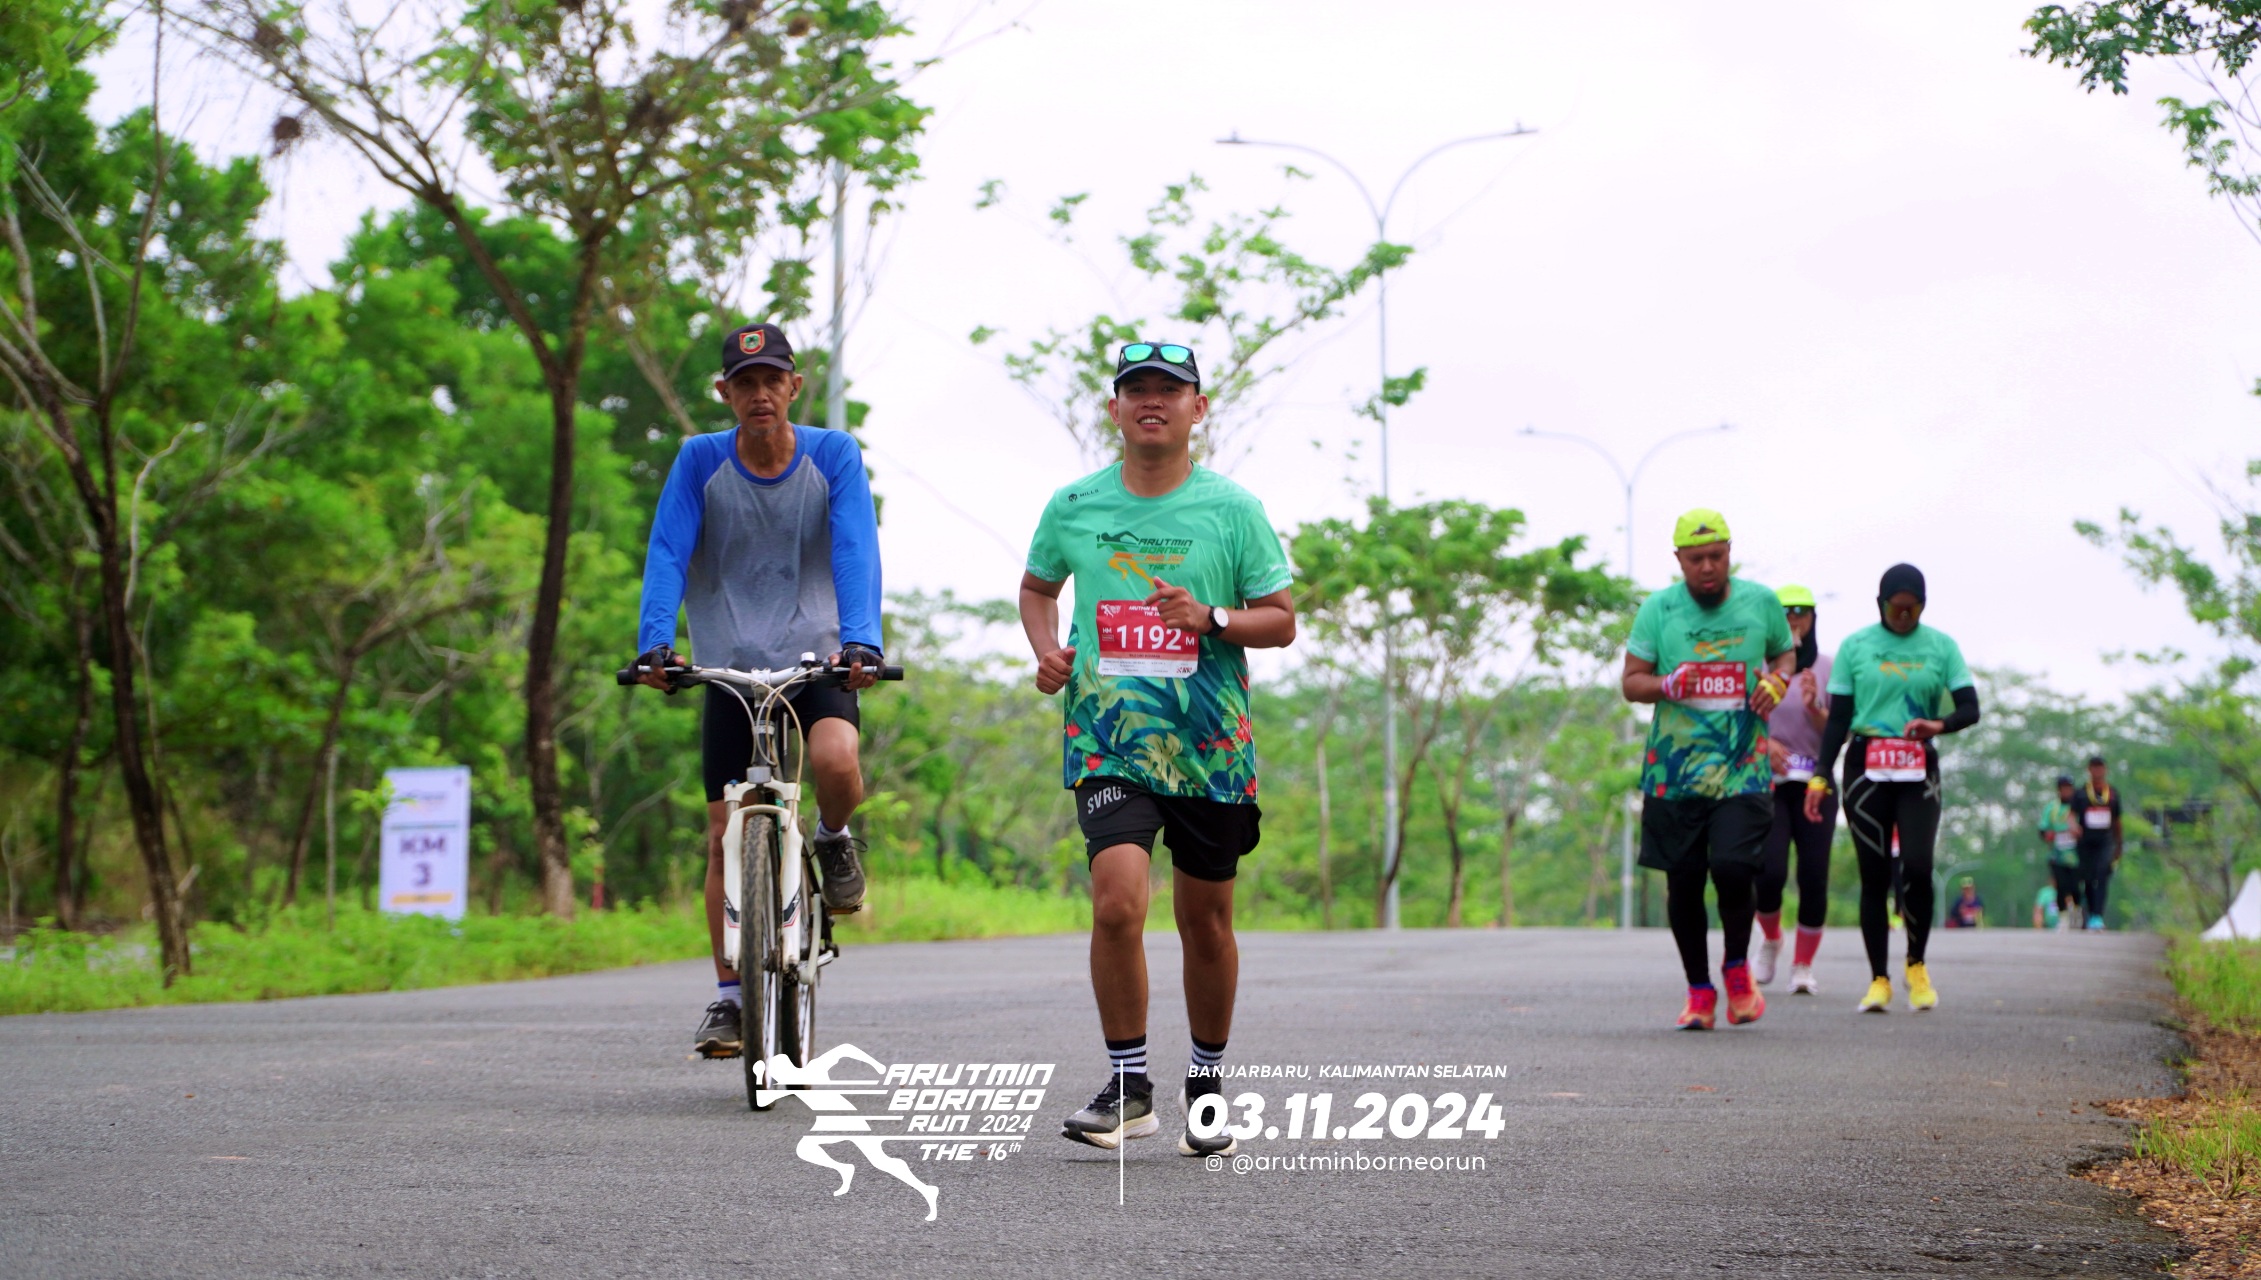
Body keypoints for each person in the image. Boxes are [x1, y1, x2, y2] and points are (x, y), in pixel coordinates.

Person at [1018, 341, 1296, 1157]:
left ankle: (1204, 1084)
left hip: (1208, 746)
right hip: (1108, 738)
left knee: (1204, 922)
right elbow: (1037, 588)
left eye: (1168, 391)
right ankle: (1128, 1085)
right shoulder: (1074, 504)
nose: (1151, 401)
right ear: (1114, 409)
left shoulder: (1232, 509)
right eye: (1135, 390)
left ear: (1196, 410)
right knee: (1116, 902)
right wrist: (1046, 651)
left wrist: (1210, 618)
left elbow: (1280, 620)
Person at [633, 322, 885, 1059]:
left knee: (836, 760)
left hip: (817, 662)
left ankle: (833, 840)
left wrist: (861, 639)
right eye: (745, 383)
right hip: (731, 670)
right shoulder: (699, 461)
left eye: (773, 380)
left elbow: (855, 546)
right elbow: (668, 549)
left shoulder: (832, 455)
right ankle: (731, 998)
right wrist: (655, 643)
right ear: (726, 393)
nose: (760, 394)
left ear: (794, 387)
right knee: (724, 833)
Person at [1620, 509, 1794, 1031]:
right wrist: (1667, 685)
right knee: (1685, 882)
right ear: (1679, 560)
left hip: (1743, 767)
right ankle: (1699, 990)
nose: (1708, 567)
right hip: (1676, 773)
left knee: (1735, 868)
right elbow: (1631, 681)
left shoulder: (1761, 603)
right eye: (1696, 559)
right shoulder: (1659, 609)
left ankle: (1737, 968)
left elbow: (1785, 656)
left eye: (1716, 556)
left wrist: (1779, 682)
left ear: (1729, 552)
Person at [1806, 564, 1980, 1014]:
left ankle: (1916, 965)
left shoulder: (1941, 646)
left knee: (1918, 867)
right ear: (1880, 604)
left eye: (1912, 609)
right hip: (1867, 767)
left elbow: (1970, 708)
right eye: (1896, 608)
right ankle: (1879, 979)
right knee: (1875, 875)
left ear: (1924, 606)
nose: (1904, 617)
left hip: (1918, 766)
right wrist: (1821, 774)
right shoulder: (1856, 646)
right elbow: (1838, 719)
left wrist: (1937, 725)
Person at [1758, 584, 1834, 994]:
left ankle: (1803, 965)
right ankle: (1771, 939)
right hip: (1767, 782)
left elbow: (1839, 734)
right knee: (1768, 872)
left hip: (1816, 785)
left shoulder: (1828, 667)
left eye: (1802, 611)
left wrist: (1814, 707)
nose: (1793, 619)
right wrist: (1765, 744)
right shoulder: (1759, 666)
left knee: (1813, 875)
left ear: (1813, 618)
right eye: (1785, 612)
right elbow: (1739, 721)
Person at [2069, 755, 2125, 930]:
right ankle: (2088, 911)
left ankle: (2097, 915)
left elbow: (2117, 821)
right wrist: (2073, 827)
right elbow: (2071, 815)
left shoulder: (2113, 794)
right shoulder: (2080, 793)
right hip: (2085, 842)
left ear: (2105, 770)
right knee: (2088, 878)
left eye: (2100, 767)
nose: (2097, 771)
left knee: (2101, 875)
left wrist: (2119, 844)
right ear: (2089, 770)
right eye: (2094, 767)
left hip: (2105, 842)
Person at [2037, 775, 2082, 927]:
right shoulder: (2052, 808)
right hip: (2057, 854)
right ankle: (2063, 917)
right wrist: (2047, 835)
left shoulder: (2078, 806)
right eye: (2063, 788)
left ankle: (2077, 913)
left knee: (2075, 886)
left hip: (2076, 855)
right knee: (2061, 885)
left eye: (2068, 788)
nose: (2066, 791)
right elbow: (2042, 829)